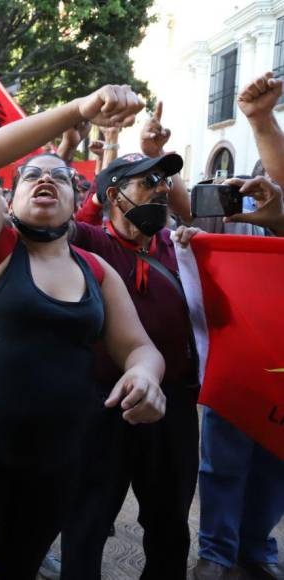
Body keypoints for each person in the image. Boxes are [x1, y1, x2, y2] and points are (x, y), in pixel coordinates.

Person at [0, 84, 166, 580]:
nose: (45, 180)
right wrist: (78, 110)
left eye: (58, 177)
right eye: (31, 176)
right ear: (10, 200)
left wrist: (145, 376)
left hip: (54, 463)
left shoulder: (97, 271)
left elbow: (139, 347)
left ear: (78, 197)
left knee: (20, 568)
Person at [61, 104, 199, 580]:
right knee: (87, 523)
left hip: (173, 408)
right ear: (113, 198)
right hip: (100, 408)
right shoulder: (88, 244)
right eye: (148, 183)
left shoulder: (186, 248)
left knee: (170, 524)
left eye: (164, 183)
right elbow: (48, 217)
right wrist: (69, 146)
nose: (161, 191)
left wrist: (158, 153)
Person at [190, 71, 284, 580]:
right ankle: (217, 551)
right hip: (241, 350)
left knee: (277, 458)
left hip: (283, 357)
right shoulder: (226, 230)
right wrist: (261, 119)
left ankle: (256, 548)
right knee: (223, 457)